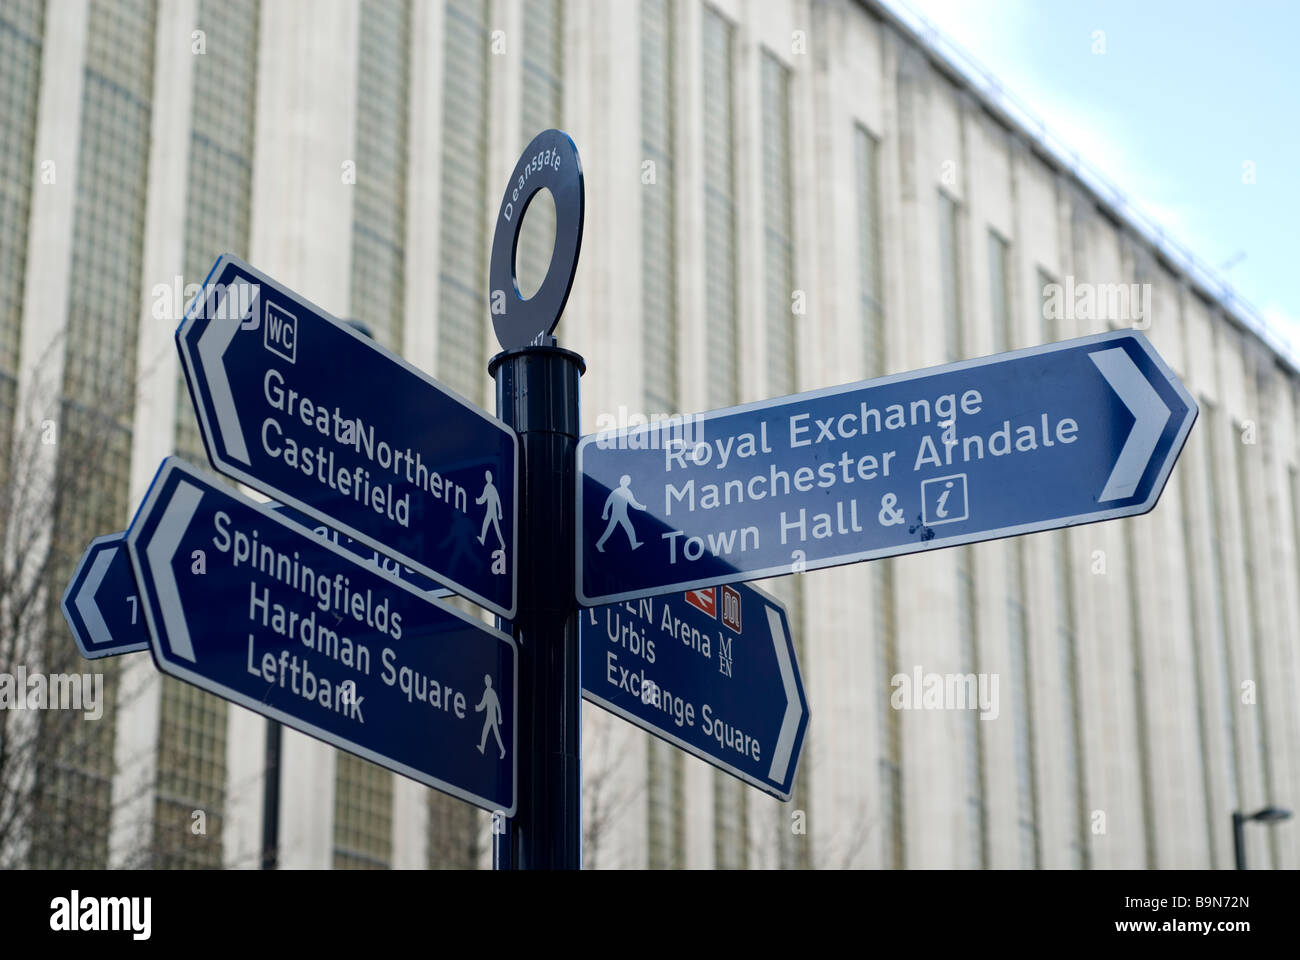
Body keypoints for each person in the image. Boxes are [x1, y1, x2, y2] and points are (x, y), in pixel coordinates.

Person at [595, 475, 646, 552]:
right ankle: (599, 544)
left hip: (622, 514)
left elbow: (633, 503)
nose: (626, 482)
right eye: (625, 481)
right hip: (617, 514)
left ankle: (633, 544)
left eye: (627, 481)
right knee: (611, 530)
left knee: (628, 528)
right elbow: (609, 501)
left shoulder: (626, 492)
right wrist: (605, 513)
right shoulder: (617, 491)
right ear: (622, 482)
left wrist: (642, 507)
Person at [475, 674, 505, 759]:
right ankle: (482, 747)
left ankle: (502, 750)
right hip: (489, 716)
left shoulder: (491, 692)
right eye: (486, 681)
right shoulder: (487, 691)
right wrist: (477, 708)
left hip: (492, 717)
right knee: (486, 731)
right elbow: (483, 704)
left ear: (490, 682)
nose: (487, 682)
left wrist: (500, 717)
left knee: (496, 734)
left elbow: (497, 705)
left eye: (488, 680)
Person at [475, 470, 505, 550]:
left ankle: (502, 544)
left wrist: (500, 513)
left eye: (489, 476)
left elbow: (496, 500)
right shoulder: (489, 487)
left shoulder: (489, 487)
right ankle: (482, 538)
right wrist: (478, 501)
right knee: (486, 523)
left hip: (492, 511)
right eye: (487, 476)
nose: (489, 478)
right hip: (490, 510)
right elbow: (484, 498)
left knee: (497, 528)